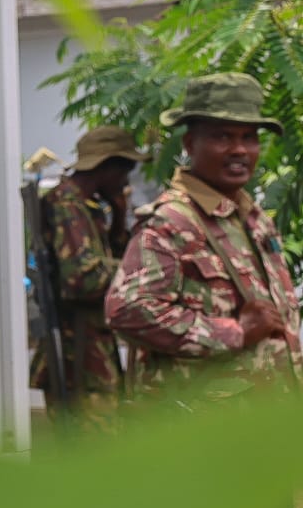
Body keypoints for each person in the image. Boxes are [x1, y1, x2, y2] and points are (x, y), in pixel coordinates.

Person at [106, 73, 299, 409]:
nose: (239, 150)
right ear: (190, 144)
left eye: (249, 137)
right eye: (223, 136)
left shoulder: (253, 219)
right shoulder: (172, 222)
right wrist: (233, 332)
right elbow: (127, 311)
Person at [29, 125, 147, 433]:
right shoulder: (67, 205)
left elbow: (108, 260)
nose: (126, 182)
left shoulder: (86, 205)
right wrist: (146, 271)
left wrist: (119, 218)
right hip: (77, 354)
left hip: (92, 347)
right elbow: (83, 278)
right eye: (125, 171)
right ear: (107, 167)